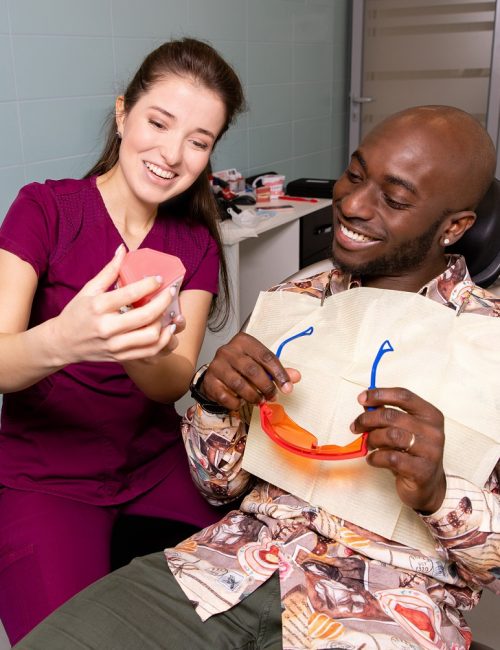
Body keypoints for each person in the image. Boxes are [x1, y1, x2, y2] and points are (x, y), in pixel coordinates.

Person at [14, 106, 500, 650]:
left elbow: (494, 567)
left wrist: (439, 494)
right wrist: (213, 399)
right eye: (356, 175)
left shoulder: (490, 346)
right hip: (224, 567)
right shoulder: (291, 304)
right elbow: (217, 485)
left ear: (455, 227)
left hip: (384, 607)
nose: (353, 204)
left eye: (393, 198)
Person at [0, 37, 245, 644]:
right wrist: (66, 339)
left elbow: (171, 381)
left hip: (154, 468)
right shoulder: (45, 209)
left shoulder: (195, 244)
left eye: (199, 140)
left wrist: (145, 346)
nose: (172, 154)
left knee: (237, 613)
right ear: (122, 113)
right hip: (44, 479)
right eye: (158, 123)